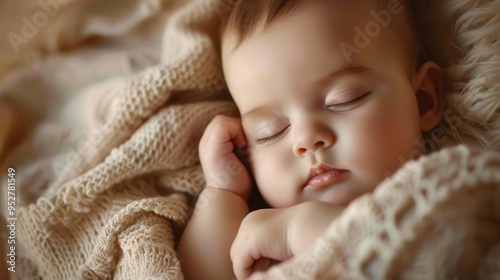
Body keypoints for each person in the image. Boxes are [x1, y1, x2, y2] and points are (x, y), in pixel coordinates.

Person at [178, 0, 445, 279]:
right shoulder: (260, 234)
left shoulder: (439, 191)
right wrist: (224, 193)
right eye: (271, 131)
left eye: (344, 100)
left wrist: (300, 231)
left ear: (423, 100)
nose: (305, 140)